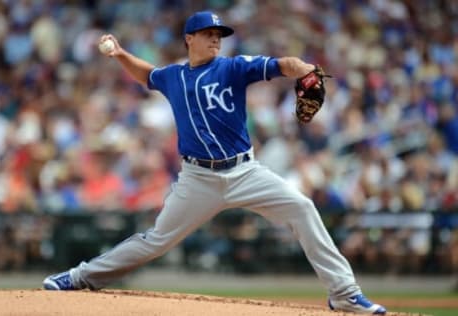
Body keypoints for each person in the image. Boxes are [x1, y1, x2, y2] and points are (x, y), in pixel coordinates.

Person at [43, 11, 386, 315]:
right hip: (198, 179)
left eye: (219, 35)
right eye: (209, 34)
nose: (216, 40)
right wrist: (119, 54)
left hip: (244, 172)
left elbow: (282, 64)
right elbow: (147, 75)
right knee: (156, 240)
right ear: (189, 39)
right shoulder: (173, 76)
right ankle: (78, 276)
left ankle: (344, 293)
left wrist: (307, 69)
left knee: (302, 207)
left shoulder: (233, 68)